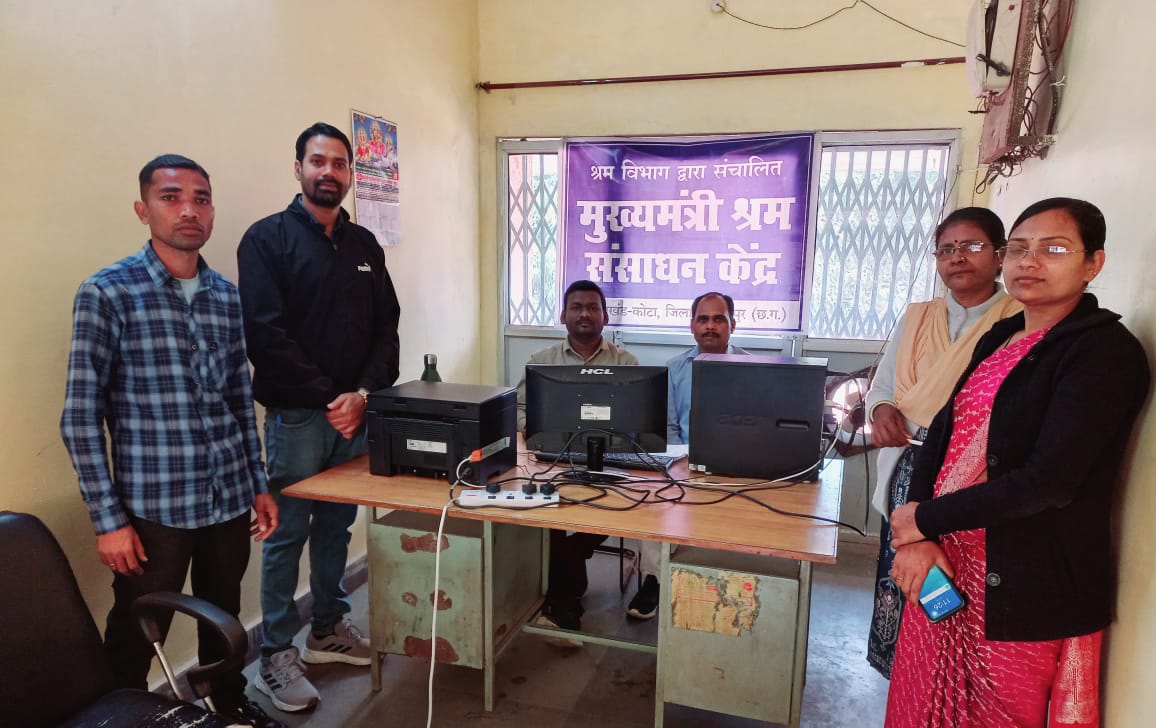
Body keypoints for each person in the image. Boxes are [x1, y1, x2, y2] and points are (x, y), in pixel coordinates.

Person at [885, 198, 1151, 727]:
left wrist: (922, 520)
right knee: (920, 703)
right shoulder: (1003, 336)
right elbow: (942, 431)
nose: (1030, 262)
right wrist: (917, 534)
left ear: (1093, 263)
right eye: (1020, 249)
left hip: (1016, 587)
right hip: (942, 564)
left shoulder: (1103, 353)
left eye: (1054, 249)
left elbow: (1047, 483)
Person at [60, 154, 282, 728]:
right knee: (137, 624)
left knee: (223, 613)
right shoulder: (109, 292)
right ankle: (123, 715)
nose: (189, 210)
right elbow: (80, 416)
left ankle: (227, 704)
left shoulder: (225, 295)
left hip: (227, 495)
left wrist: (257, 483)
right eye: (171, 197)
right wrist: (108, 520)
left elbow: (239, 399)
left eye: (201, 198)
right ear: (143, 210)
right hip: (153, 507)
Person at [237, 123, 401, 713]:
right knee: (287, 536)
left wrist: (363, 394)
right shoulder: (267, 240)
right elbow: (266, 335)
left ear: (351, 174)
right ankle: (275, 655)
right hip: (300, 419)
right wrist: (333, 399)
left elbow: (387, 328)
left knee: (336, 527)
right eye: (317, 161)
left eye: (338, 163)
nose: (328, 171)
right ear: (299, 168)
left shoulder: (364, 246)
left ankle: (328, 629)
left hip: (354, 417)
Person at [864, 207, 1022, 678]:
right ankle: (900, 668)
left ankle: (942, 671)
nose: (958, 257)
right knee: (903, 565)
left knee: (954, 572)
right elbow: (882, 386)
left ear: (999, 255)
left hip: (972, 471)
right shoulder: (917, 317)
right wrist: (881, 409)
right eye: (947, 249)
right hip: (909, 463)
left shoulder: (1019, 318)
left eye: (972, 246)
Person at [517, 279, 638, 637]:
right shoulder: (541, 361)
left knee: (621, 505)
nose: (584, 313)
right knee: (550, 508)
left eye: (592, 307)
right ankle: (565, 605)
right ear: (563, 315)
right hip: (553, 458)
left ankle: (565, 587)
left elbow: (636, 419)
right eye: (576, 307)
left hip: (609, 460)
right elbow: (520, 410)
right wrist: (543, 432)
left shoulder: (625, 362)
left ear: (605, 316)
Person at [626, 292, 750, 621]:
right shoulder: (674, 368)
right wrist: (680, 466)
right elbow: (668, 428)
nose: (710, 326)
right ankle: (655, 579)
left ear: (733, 325)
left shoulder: (752, 368)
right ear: (692, 325)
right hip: (684, 461)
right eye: (703, 319)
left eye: (719, 319)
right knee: (651, 497)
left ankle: (719, 586)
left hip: (738, 466)